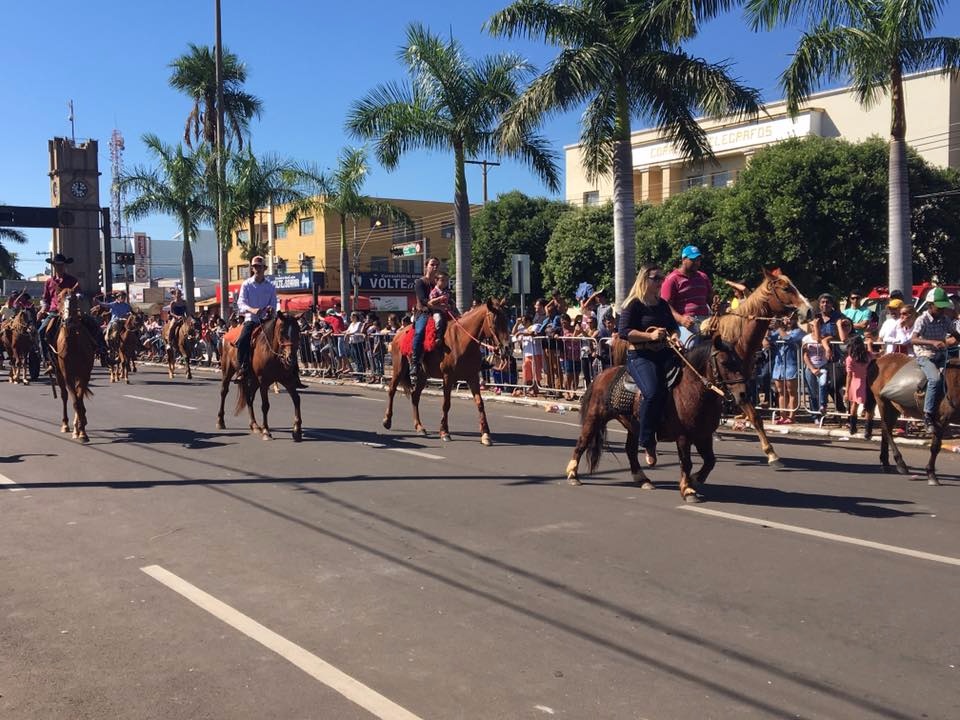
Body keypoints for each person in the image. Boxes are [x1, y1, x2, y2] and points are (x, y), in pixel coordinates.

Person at [619, 263, 680, 468]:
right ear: (645, 280)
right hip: (641, 355)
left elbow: (673, 327)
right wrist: (650, 335)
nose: (661, 282)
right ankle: (647, 440)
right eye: (656, 278)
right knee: (653, 391)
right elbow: (624, 332)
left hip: (664, 352)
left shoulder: (662, 304)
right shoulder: (634, 304)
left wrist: (674, 337)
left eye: (662, 278)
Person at [38, 253, 109, 367]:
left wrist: (78, 296)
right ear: (54, 266)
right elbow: (45, 299)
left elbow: (80, 293)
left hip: (72, 311)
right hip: (55, 312)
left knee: (94, 325)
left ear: (65, 266)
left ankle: (103, 352)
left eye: (61, 265)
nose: (59, 267)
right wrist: (42, 308)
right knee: (41, 331)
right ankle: (47, 359)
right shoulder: (49, 282)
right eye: (57, 265)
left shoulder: (72, 280)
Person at [911, 287, 960, 433]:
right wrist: (932, 342)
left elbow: (956, 334)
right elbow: (913, 339)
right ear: (930, 305)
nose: (942, 311)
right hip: (925, 355)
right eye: (939, 308)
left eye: (944, 308)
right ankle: (928, 414)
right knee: (935, 379)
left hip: (942, 355)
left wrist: (955, 339)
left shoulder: (945, 320)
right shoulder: (922, 319)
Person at [233, 256, 278, 384]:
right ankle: (242, 369)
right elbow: (240, 303)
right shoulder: (247, 284)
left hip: (267, 320)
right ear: (252, 268)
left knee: (285, 339)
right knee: (242, 341)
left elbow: (274, 303)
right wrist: (251, 309)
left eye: (260, 266)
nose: (257, 269)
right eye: (255, 266)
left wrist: (271, 309)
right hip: (251, 319)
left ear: (264, 268)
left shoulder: (270, 286)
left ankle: (291, 373)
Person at [661, 245, 712, 347]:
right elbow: (665, 305)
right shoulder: (672, 279)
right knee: (691, 345)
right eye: (693, 260)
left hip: (706, 320)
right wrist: (681, 319)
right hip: (687, 322)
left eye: (698, 260)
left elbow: (710, 298)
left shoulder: (703, 277)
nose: (697, 263)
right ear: (684, 259)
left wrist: (716, 305)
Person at [409, 256, 441, 383]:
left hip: (438, 311)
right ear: (426, 266)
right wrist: (433, 303)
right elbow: (423, 299)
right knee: (420, 332)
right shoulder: (420, 282)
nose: (435, 267)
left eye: (437, 265)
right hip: (424, 313)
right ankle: (415, 363)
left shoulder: (439, 283)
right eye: (432, 264)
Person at [769, 315, 804, 424]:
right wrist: (768, 327)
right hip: (779, 365)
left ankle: (791, 416)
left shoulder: (798, 332)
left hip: (791, 364)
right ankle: (782, 415)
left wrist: (779, 329)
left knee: (791, 391)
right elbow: (768, 338)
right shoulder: (779, 331)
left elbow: (789, 339)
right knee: (780, 392)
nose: (788, 320)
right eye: (786, 318)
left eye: (791, 318)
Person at [844, 334, 873, 436]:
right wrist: (869, 344)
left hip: (855, 382)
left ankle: (853, 427)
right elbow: (873, 356)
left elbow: (849, 375)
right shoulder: (867, 356)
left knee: (854, 405)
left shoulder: (850, 359)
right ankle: (868, 431)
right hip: (868, 382)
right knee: (869, 407)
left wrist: (847, 391)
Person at [429, 271, 459, 338]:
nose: (445, 283)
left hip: (448, 311)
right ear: (436, 280)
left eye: (446, 281)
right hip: (438, 311)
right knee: (438, 320)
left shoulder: (446, 291)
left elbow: (450, 301)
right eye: (442, 280)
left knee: (458, 318)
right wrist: (439, 298)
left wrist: (451, 305)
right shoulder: (434, 291)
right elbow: (431, 302)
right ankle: (438, 337)